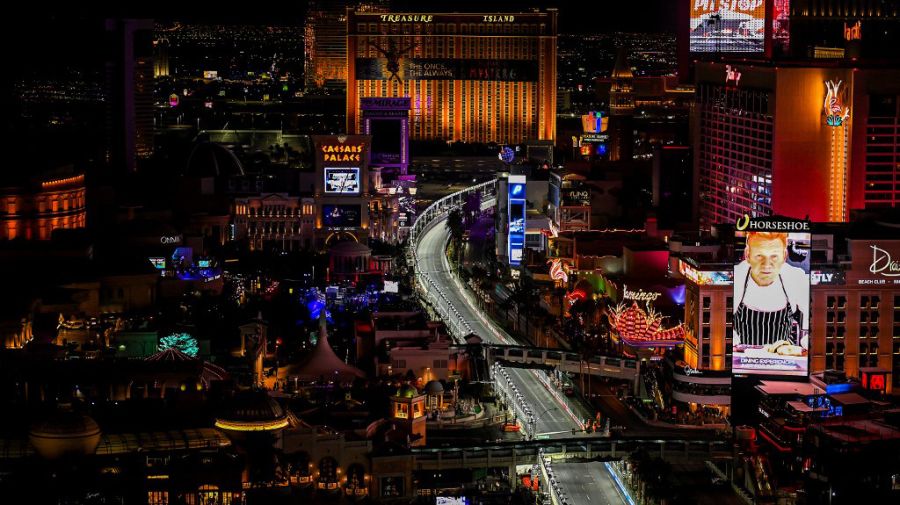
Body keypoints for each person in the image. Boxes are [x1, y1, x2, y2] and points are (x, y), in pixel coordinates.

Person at [733, 231, 809, 348]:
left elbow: (818, 317)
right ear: (747, 255)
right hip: (743, 358)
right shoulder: (736, 277)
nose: (767, 265)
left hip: (783, 358)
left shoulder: (796, 278)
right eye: (759, 256)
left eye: (774, 256)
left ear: (784, 256)